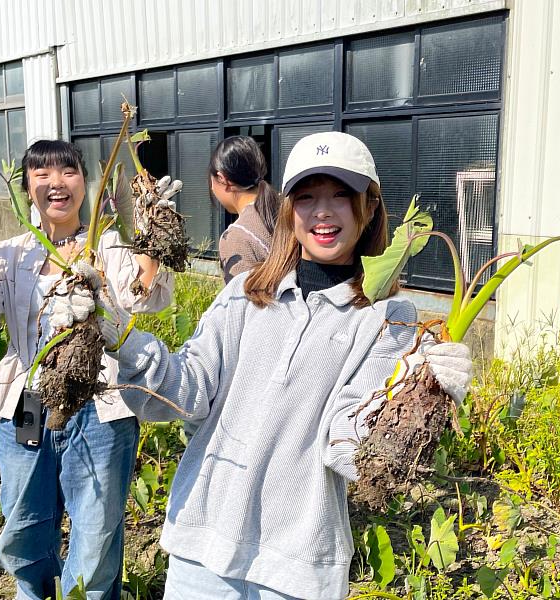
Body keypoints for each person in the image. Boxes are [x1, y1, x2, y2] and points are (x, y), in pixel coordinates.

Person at [88, 131, 473, 599]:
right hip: (202, 543)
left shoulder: (386, 318)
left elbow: (346, 445)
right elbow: (186, 391)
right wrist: (123, 337)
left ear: (369, 207)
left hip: (297, 565)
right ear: (289, 209)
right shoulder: (244, 293)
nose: (323, 212)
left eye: (341, 197)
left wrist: (420, 392)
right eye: (307, 198)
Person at [0, 140, 177, 599]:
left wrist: (154, 229)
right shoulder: (9, 255)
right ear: (27, 186)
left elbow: (149, 298)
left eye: (68, 172)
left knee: (95, 533)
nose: (57, 184)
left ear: (83, 182)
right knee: (24, 525)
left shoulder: (110, 247)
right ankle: (33, 593)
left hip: (101, 407)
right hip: (27, 404)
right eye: (42, 174)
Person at [209, 136, 279, 283]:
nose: (211, 188)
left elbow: (242, 303)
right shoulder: (285, 208)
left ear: (223, 179)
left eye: (211, 182)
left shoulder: (237, 237)